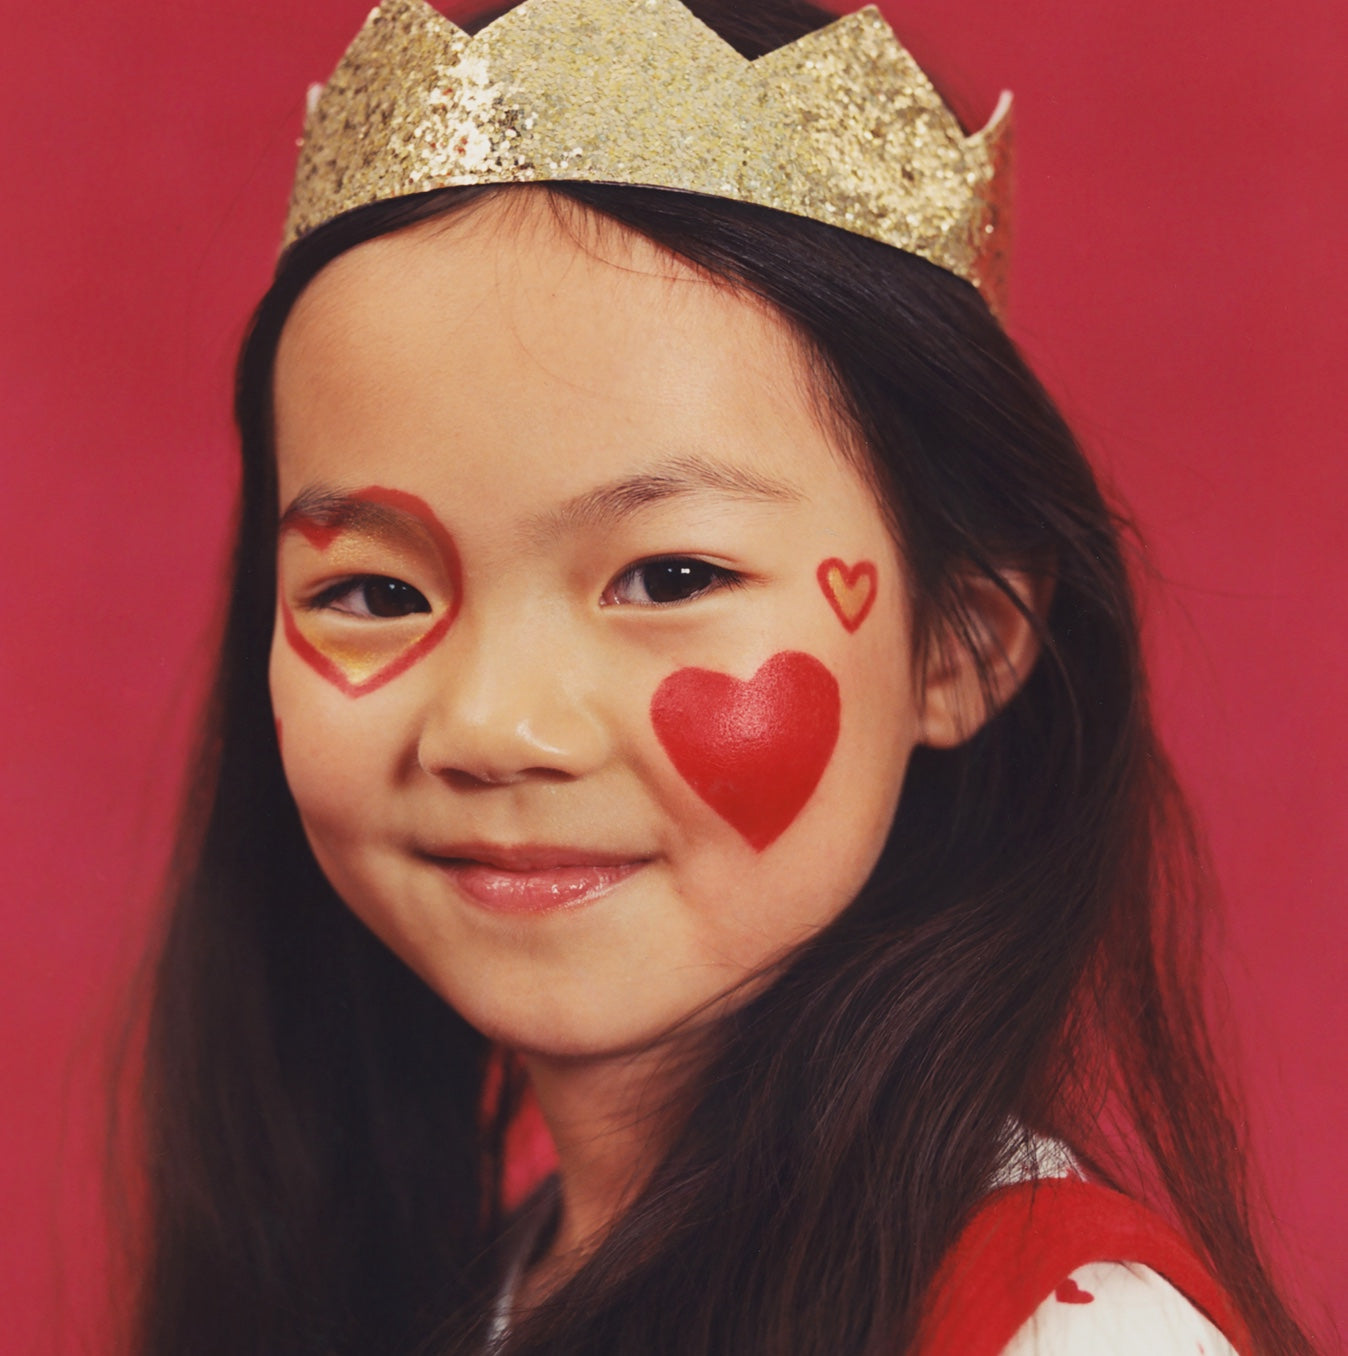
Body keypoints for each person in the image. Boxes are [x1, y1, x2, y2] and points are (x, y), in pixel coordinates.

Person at [120, 0, 1317, 1352]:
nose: (495, 725)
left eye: (671, 576)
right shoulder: (461, 1301)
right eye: (375, 594)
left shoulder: (1055, 1330)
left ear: (963, 642)